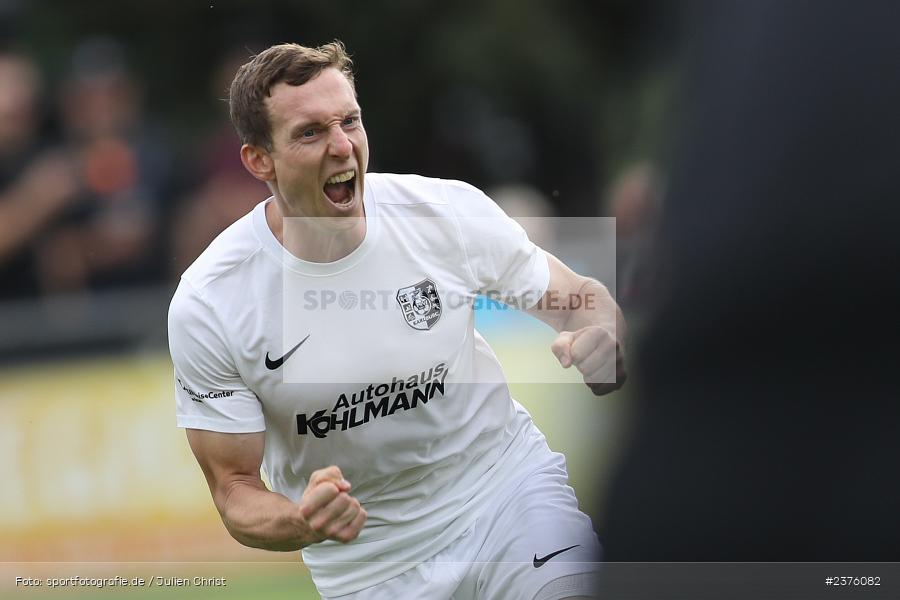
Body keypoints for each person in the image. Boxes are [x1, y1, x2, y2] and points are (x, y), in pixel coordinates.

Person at [168, 41, 625, 600]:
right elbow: (234, 489)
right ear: (259, 159)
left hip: (505, 497)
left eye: (350, 121)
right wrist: (301, 522)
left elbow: (578, 297)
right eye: (310, 132)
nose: (342, 146)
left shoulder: (444, 214)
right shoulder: (211, 300)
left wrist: (607, 341)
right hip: (369, 566)